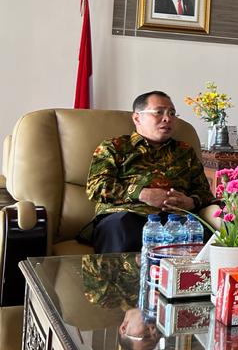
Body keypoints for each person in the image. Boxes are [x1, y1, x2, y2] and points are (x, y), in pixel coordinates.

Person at [85, 91, 214, 253]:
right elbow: (96, 187)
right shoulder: (114, 147)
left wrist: (191, 201)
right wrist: (141, 194)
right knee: (121, 227)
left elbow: (204, 192)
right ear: (137, 118)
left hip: (175, 220)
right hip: (126, 216)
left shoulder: (184, 151)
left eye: (172, 113)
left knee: (204, 235)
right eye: (159, 112)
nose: (167, 119)